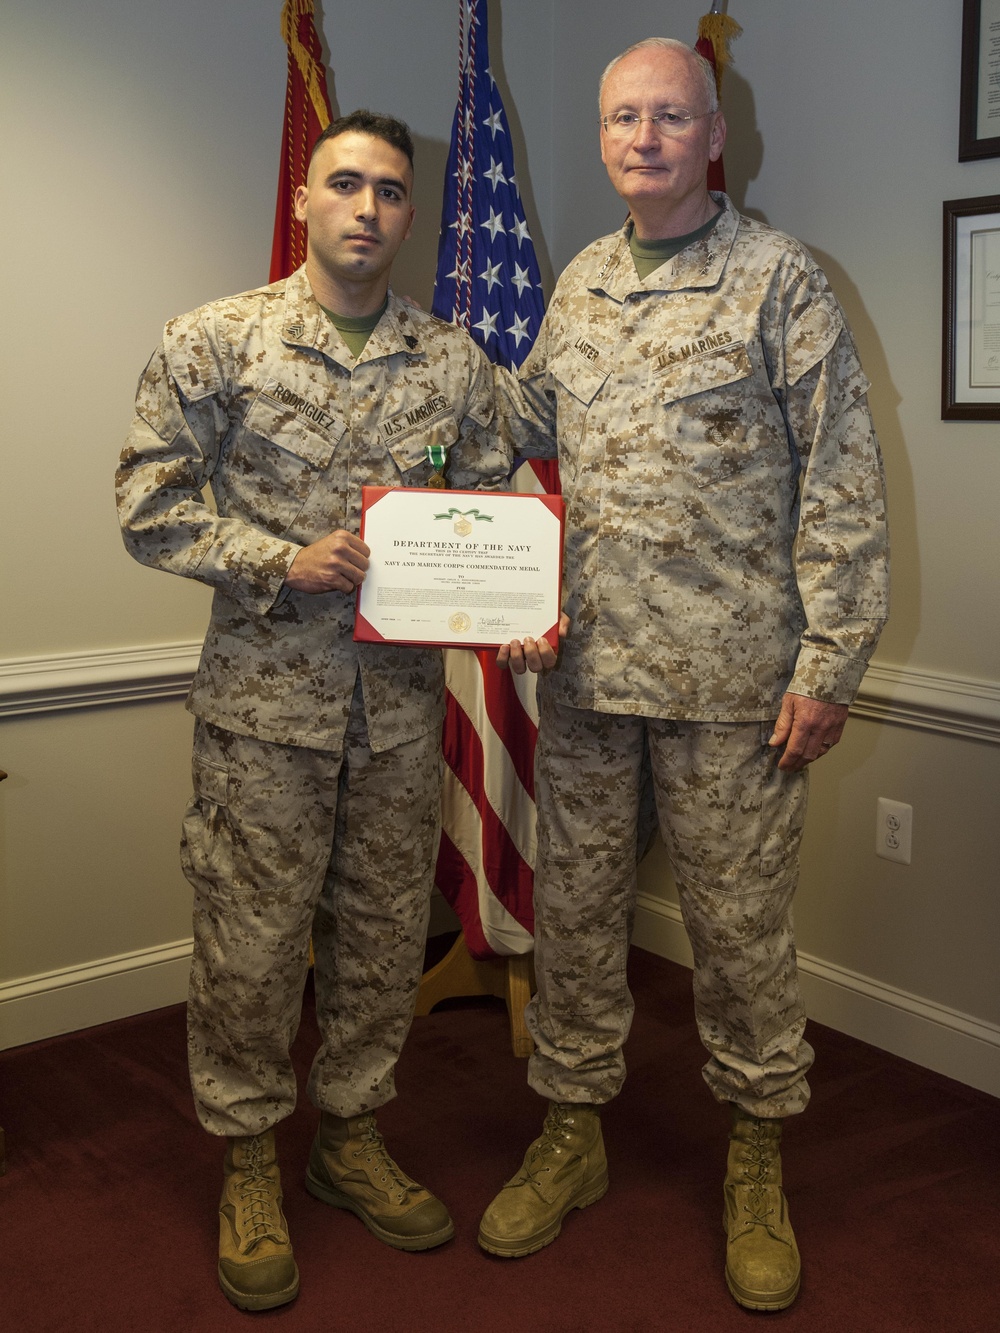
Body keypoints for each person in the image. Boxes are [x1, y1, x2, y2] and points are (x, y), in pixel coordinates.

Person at [482, 38, 889, 1313]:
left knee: (740, 940)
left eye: (668, 116)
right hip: (591, 679)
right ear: (602, 139)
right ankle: (570, 1132)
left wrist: (829, 662)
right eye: (620, 118)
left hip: (732, 689)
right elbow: (523, 433)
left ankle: (757, 1152)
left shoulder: (782, 282)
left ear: (714, 135)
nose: (642, 137)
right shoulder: (582, 284)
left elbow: (841, 484)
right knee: (577, 926)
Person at [116, 109, 510, 1312]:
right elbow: (148, 502)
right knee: (249, 947)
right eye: (346, 184)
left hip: (395, 718)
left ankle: (348, 1139)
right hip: (263, 717)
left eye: (391, 191)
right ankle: (247, 1156)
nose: (369, 208)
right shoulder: (215, 341)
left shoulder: (450, 361)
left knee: (385, 940)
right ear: (304, 198)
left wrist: (513, 594)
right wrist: (278, 557)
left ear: (407, 213)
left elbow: (491, 506)